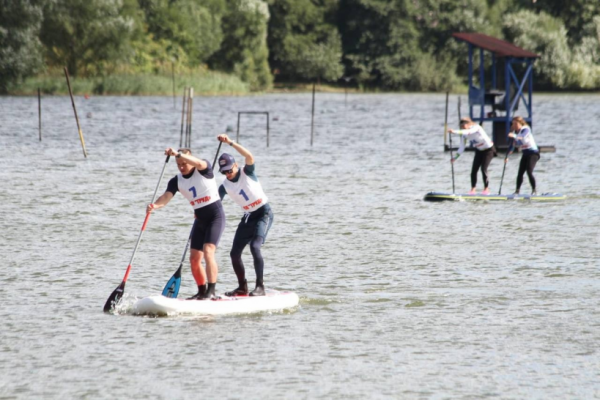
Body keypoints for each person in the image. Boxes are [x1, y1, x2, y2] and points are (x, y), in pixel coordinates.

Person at [146, 148, 225, 300]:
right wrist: (155, 206)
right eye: (179, 164)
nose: (182, 167)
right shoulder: (176, 180)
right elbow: (166, 196)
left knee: (208, 251)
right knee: (194, 259)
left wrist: (178, 154)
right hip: (199, 220)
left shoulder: (204, 169)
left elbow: (198, 162)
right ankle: (202, 291)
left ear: (190, 160)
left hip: (216, 217)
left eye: (184, 163)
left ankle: (211, 291)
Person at [216, 134, 274, 297]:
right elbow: (215, 203)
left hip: (264, 213)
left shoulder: (247, 171)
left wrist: (230, 143)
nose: (228, 173)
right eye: (224, 172)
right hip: (248, 216)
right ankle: (242, 287)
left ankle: (260, 287)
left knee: (255, 247)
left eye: (229, 169)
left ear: (235, 165)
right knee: (234, 253)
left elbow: (249, 156)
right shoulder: (224, 186)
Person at [448, 117, 497, 194]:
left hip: (489, 150)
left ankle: (486, 189)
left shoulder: (476, 128)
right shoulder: (464, 134)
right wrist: (455, 157)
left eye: (463, 127)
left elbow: (469, 132)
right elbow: (462, 147)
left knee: (483, 168)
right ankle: (473, 189)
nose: (463, 129)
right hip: (479, 150)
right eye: (461, 127)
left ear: (468, 124)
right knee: (474, 170)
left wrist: (454, 131)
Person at [506, 116, 540, 195]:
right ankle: (517, 191)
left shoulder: (526, 129)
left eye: (516, 123)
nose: (514, 125)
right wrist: (507, 156)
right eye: (513, 124)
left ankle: (534, 190)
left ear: (520, 123)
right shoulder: (516, 133)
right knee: (520, 173)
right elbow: (512, 146)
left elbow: (522, 136)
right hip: (525, 154)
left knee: (529, 171)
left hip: (533, 153)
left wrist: (513, 136)